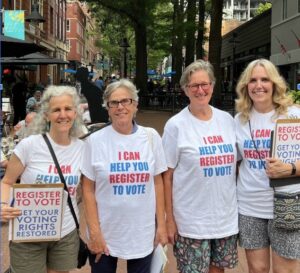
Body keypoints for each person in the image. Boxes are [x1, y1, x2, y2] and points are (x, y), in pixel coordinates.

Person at [81, 79, 168, 273]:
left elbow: (158, 183)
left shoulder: (151, 137)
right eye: (114, 103)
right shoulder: (95, 141)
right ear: (108, 108)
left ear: (135, 105)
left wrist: (161, 226)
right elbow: (87, 189)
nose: (120, 107)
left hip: (142, 231)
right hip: (105, 231)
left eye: (125, 101)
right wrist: (94, 231)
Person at [162, 60, 238, 273]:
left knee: (218, 270)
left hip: (224, 218)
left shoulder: (227, 121)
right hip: (191, 221)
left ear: (212, 86)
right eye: (194, 85)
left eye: (205, 84)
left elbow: (239, 164)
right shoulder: (176, 125)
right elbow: (166, 176)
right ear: (185, 89)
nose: (200, 90)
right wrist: (169, 220)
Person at [0, 85, 85, 273]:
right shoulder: (29, 146)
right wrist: (2, 204)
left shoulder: (83, 148)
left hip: (65, 231)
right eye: (56, 110)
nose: (63, 115)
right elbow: (7, 181)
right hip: (28, 230)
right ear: (46, 115)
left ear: (75, 112)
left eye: (68, 109)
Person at [235, 58, 300, 273]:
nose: (258, 85)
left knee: (286, 270)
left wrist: (291, 169)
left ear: (274, 83)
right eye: (253, 80)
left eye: (264, 79)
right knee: (257, 269)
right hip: (250, 206)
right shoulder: (239, 120)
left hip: (287, 203)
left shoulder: (293, 116)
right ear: (246, 85)